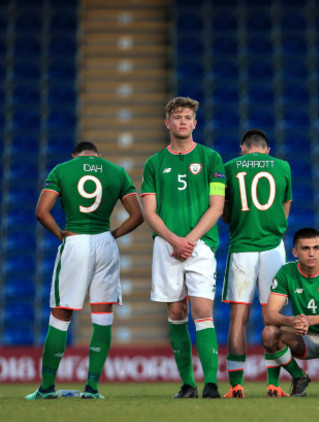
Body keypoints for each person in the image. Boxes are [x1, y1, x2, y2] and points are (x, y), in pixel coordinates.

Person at [26, 141, 143, 400]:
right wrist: (113, 235)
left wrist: (60, 234)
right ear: (98, 155)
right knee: (102, 315)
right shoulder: (117, 171)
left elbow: (41, 212)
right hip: (105, 243)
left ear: (74, 155)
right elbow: (138, 215)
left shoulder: (62, 169)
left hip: (75, 240)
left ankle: (46, 388)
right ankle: (92, 389)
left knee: (61, 315)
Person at [141, 97, 226, 399]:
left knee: (203, 311)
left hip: (201, 245)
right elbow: (149, 211)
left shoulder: (211, 158)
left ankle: (212, 384)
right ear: (167, 123)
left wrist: (189, 240)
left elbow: (217, 207)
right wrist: (174, 240)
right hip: (166, 246)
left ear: (195, 123)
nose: (182, 122)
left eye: (188, 117)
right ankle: (188, 383)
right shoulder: (153, 164)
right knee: (177, 310)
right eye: (177, 117)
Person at [221, 129, 292, 398]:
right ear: (267, 149)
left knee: (238, 319)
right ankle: (273, 384)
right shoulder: (282, 166)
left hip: (242, 248)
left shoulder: (230, 167)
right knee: (273, 318)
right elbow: (285, 211)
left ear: (242, 148)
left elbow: (225, 214)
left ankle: (236, 385)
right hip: (273, 247)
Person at [261, 227, 319, 397]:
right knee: (269, 333)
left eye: (316, 248)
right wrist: (292, 321)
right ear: (295, 252)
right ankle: (299, 376)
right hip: (302, 335)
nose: (312, 253)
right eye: (305, 248)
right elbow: (269, 315)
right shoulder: (286, 272)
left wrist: (309, 320)